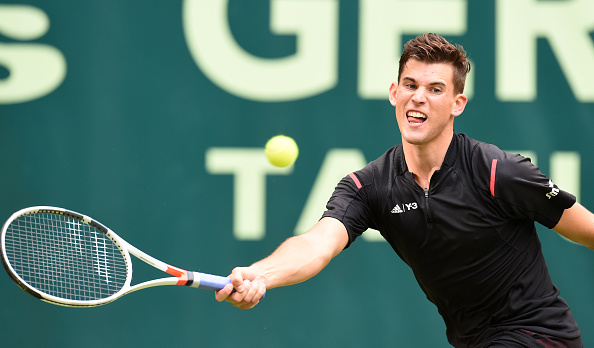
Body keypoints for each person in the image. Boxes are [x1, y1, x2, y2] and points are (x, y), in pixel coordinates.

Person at [215, 33, 594, 347]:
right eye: (411, 85)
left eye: (435, 89)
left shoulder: (500, 172)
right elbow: (316, 244)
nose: (419, 97)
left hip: (541, 336)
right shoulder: (369, 187)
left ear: (457, 104)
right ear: (394, 93)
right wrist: (260, 274)